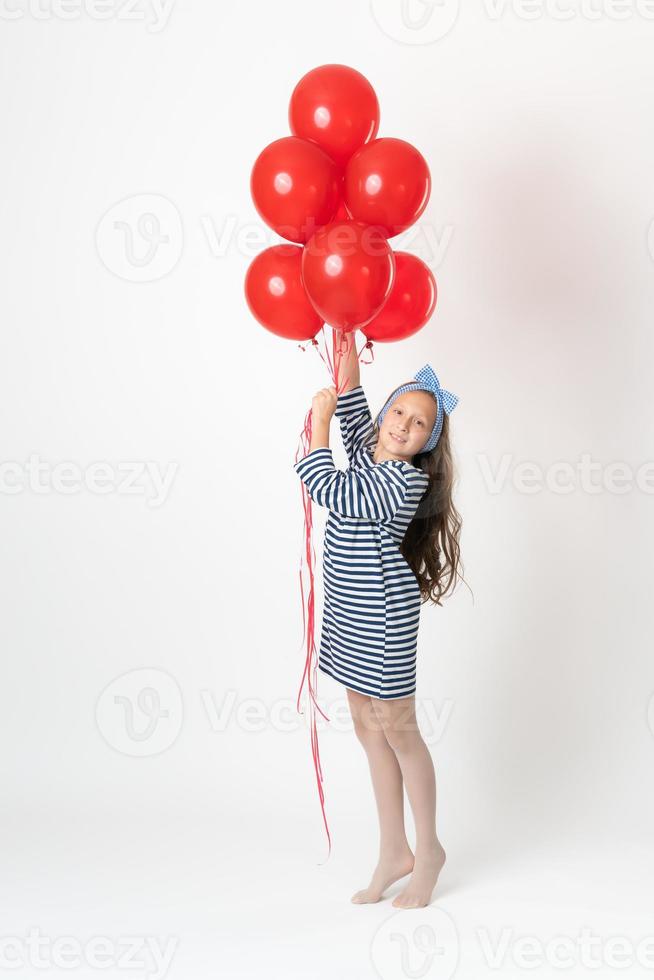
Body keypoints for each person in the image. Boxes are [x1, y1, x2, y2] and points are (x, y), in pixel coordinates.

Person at [293, 331, 464, 909]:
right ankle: (394, 848)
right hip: (347, 612)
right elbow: (352, 399)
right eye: (398, 412)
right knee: (366, 725)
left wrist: (317, 423)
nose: (401, 425)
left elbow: (326, 486)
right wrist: (344, 330)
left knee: (397, 727)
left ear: (427, 442)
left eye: (418, 424)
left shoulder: (402, 481)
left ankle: (429, 849)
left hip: (383, 617)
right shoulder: (372, 450)